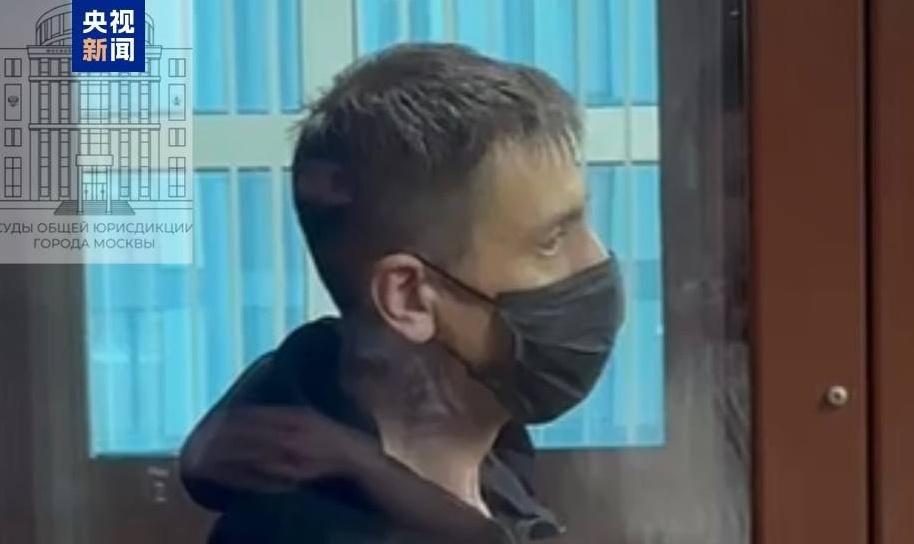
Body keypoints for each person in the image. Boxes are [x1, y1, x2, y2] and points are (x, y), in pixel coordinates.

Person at [179, 43, 625, 544]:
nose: (597, 259)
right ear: (409, 298)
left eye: (583, 222)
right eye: (551, 240)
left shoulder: (495, 456)